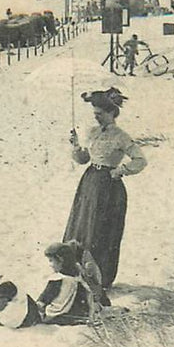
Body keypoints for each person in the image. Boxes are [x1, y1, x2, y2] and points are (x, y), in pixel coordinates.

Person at [66, 88, 147, 289]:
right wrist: (76, 147)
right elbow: (84, 160)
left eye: (100, 115)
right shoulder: (93, 132)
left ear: (112, 113)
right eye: (95, 115)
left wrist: (120, 170)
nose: (97, 119)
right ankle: (77, 272)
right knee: (82, 226)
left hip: (109, 188)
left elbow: (140, 160)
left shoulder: (121, 136)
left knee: (101, 231)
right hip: (89, 182)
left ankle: (100, 278)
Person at [36, 241, 107, 325]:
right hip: (75, 313)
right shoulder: (77, 277)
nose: (50, 265)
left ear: (60, 260)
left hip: (56, 314)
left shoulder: (57, 279)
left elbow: (46, 297)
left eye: (51, 261)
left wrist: (39, 304)